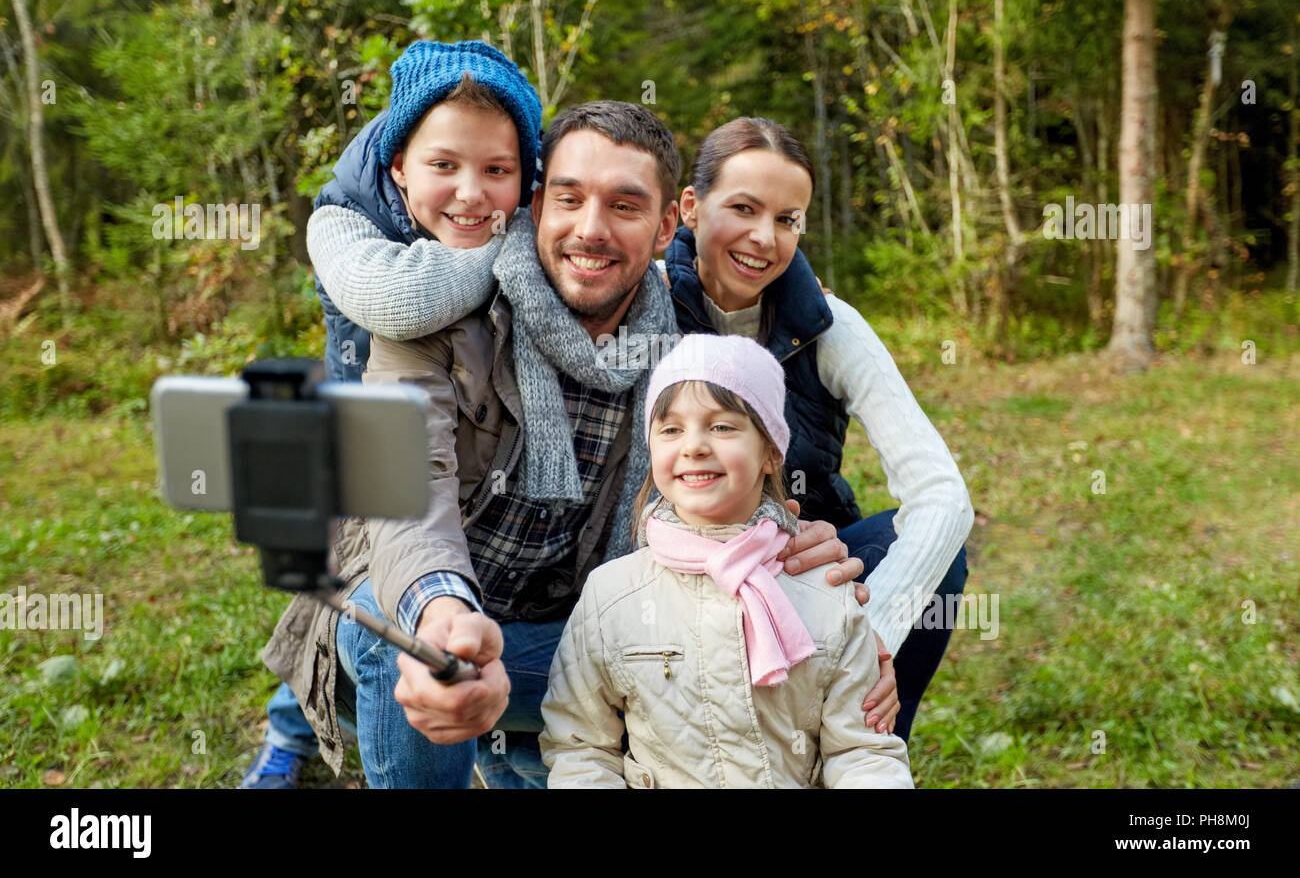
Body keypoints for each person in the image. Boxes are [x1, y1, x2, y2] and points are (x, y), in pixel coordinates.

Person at [257, 101, 865, 788]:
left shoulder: (681, 357)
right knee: (385, 625)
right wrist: (446, 616)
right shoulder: (439, 318)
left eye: (626, 207)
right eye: (569, 200)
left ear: (668, 225)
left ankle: (529, 751)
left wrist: (789, 545)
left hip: (568, 641)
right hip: (429, 630)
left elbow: (721, 480)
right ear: (538, 206)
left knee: (705, 632)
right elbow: (407, 496)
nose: (591, 230)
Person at [241, 38, 543, 788]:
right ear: (397, 167)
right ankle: (290, 736)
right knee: (345, 604)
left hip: (463, 449)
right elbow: (402, 302)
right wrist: (514, 242)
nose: (472, 193)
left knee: (446, 585)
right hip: (360, 448)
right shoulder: (339, 222)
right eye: (444, 166)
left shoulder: (527, 217)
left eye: (497, 172)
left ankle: (495, 748)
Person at [663, 117, 974, 742]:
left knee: (934, 557)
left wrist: (871, 641)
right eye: (744, 208)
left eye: (787, 218)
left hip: (803, 569)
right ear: (691, 208)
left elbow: (943, 495)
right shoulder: (642, 306)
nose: (764, 238)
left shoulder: (830, 325)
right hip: (677, 575)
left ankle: (863, 748)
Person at [540, 334, 914, 787]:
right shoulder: (611, 596)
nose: (694, 445)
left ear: (771, 452)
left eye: (721, 426)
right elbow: (580, 748)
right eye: (671, 429)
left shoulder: (826, 591)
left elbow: (862, 753)